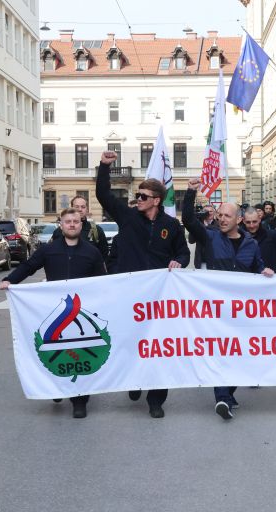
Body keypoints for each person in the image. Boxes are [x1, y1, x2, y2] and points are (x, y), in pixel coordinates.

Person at [96, 151, 190, 418]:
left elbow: (183, 253)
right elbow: (103, 195)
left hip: (159, 298)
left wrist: (179, 262)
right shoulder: (127, 217)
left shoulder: (171, 225)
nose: (138, 199)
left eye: (143, 196)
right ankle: (134, 380)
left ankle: (156, 400)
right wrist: (104, 166)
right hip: (129, 295)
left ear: (156, 200)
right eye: (137, 195)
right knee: (131, 342)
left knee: (159, 346)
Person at [0, 208, 106, 418]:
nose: (72, 224)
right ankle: (56, 388)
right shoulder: (49, 250)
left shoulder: (92, 252)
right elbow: (29, 266)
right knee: (57, 352)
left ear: (81, 224)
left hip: (81, 312)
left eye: (76, 221)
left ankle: (80, 400)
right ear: (61, 225)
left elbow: (101, 281)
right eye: (68, 221)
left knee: (79, 354)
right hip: (55, 312)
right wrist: (10, 280)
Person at [182, 178, 275, 420]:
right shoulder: (210, 237)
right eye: (220, 215)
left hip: (242, 311)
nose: (222, 219)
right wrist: (190, 192)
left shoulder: (251, 244)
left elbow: (258, 267)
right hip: (217, 310)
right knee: (222, 352)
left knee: (241, 354)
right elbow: (189, 220)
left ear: (239, 220)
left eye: (227, 216)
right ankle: (222, 398)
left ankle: (229, 394)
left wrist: (265, 271)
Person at [242, 199, 276, 273]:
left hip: (269, 279)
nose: (251, 225)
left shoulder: (271, 236)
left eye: (254, 222)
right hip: (246, 278)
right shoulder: (239, 238)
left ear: (259, 219)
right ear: (243, 221)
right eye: (248, 222)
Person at [51, 196, 109, 261]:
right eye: (77, 207)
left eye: (83, 207)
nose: (80, 209)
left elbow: (104, 255)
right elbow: (51, 253)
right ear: (71, 208)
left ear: (87, 209)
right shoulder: (60, 231)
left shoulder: (96, 230)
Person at [189, 204, 217, 269]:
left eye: (211, 211)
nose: (208, 213)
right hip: (200, 261)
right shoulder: (198, 224)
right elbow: (191, 241)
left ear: (214, 213)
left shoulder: (218, 225)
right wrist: (194, 225)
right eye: (206, 211)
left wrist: (203, 226)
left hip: (214, 261)